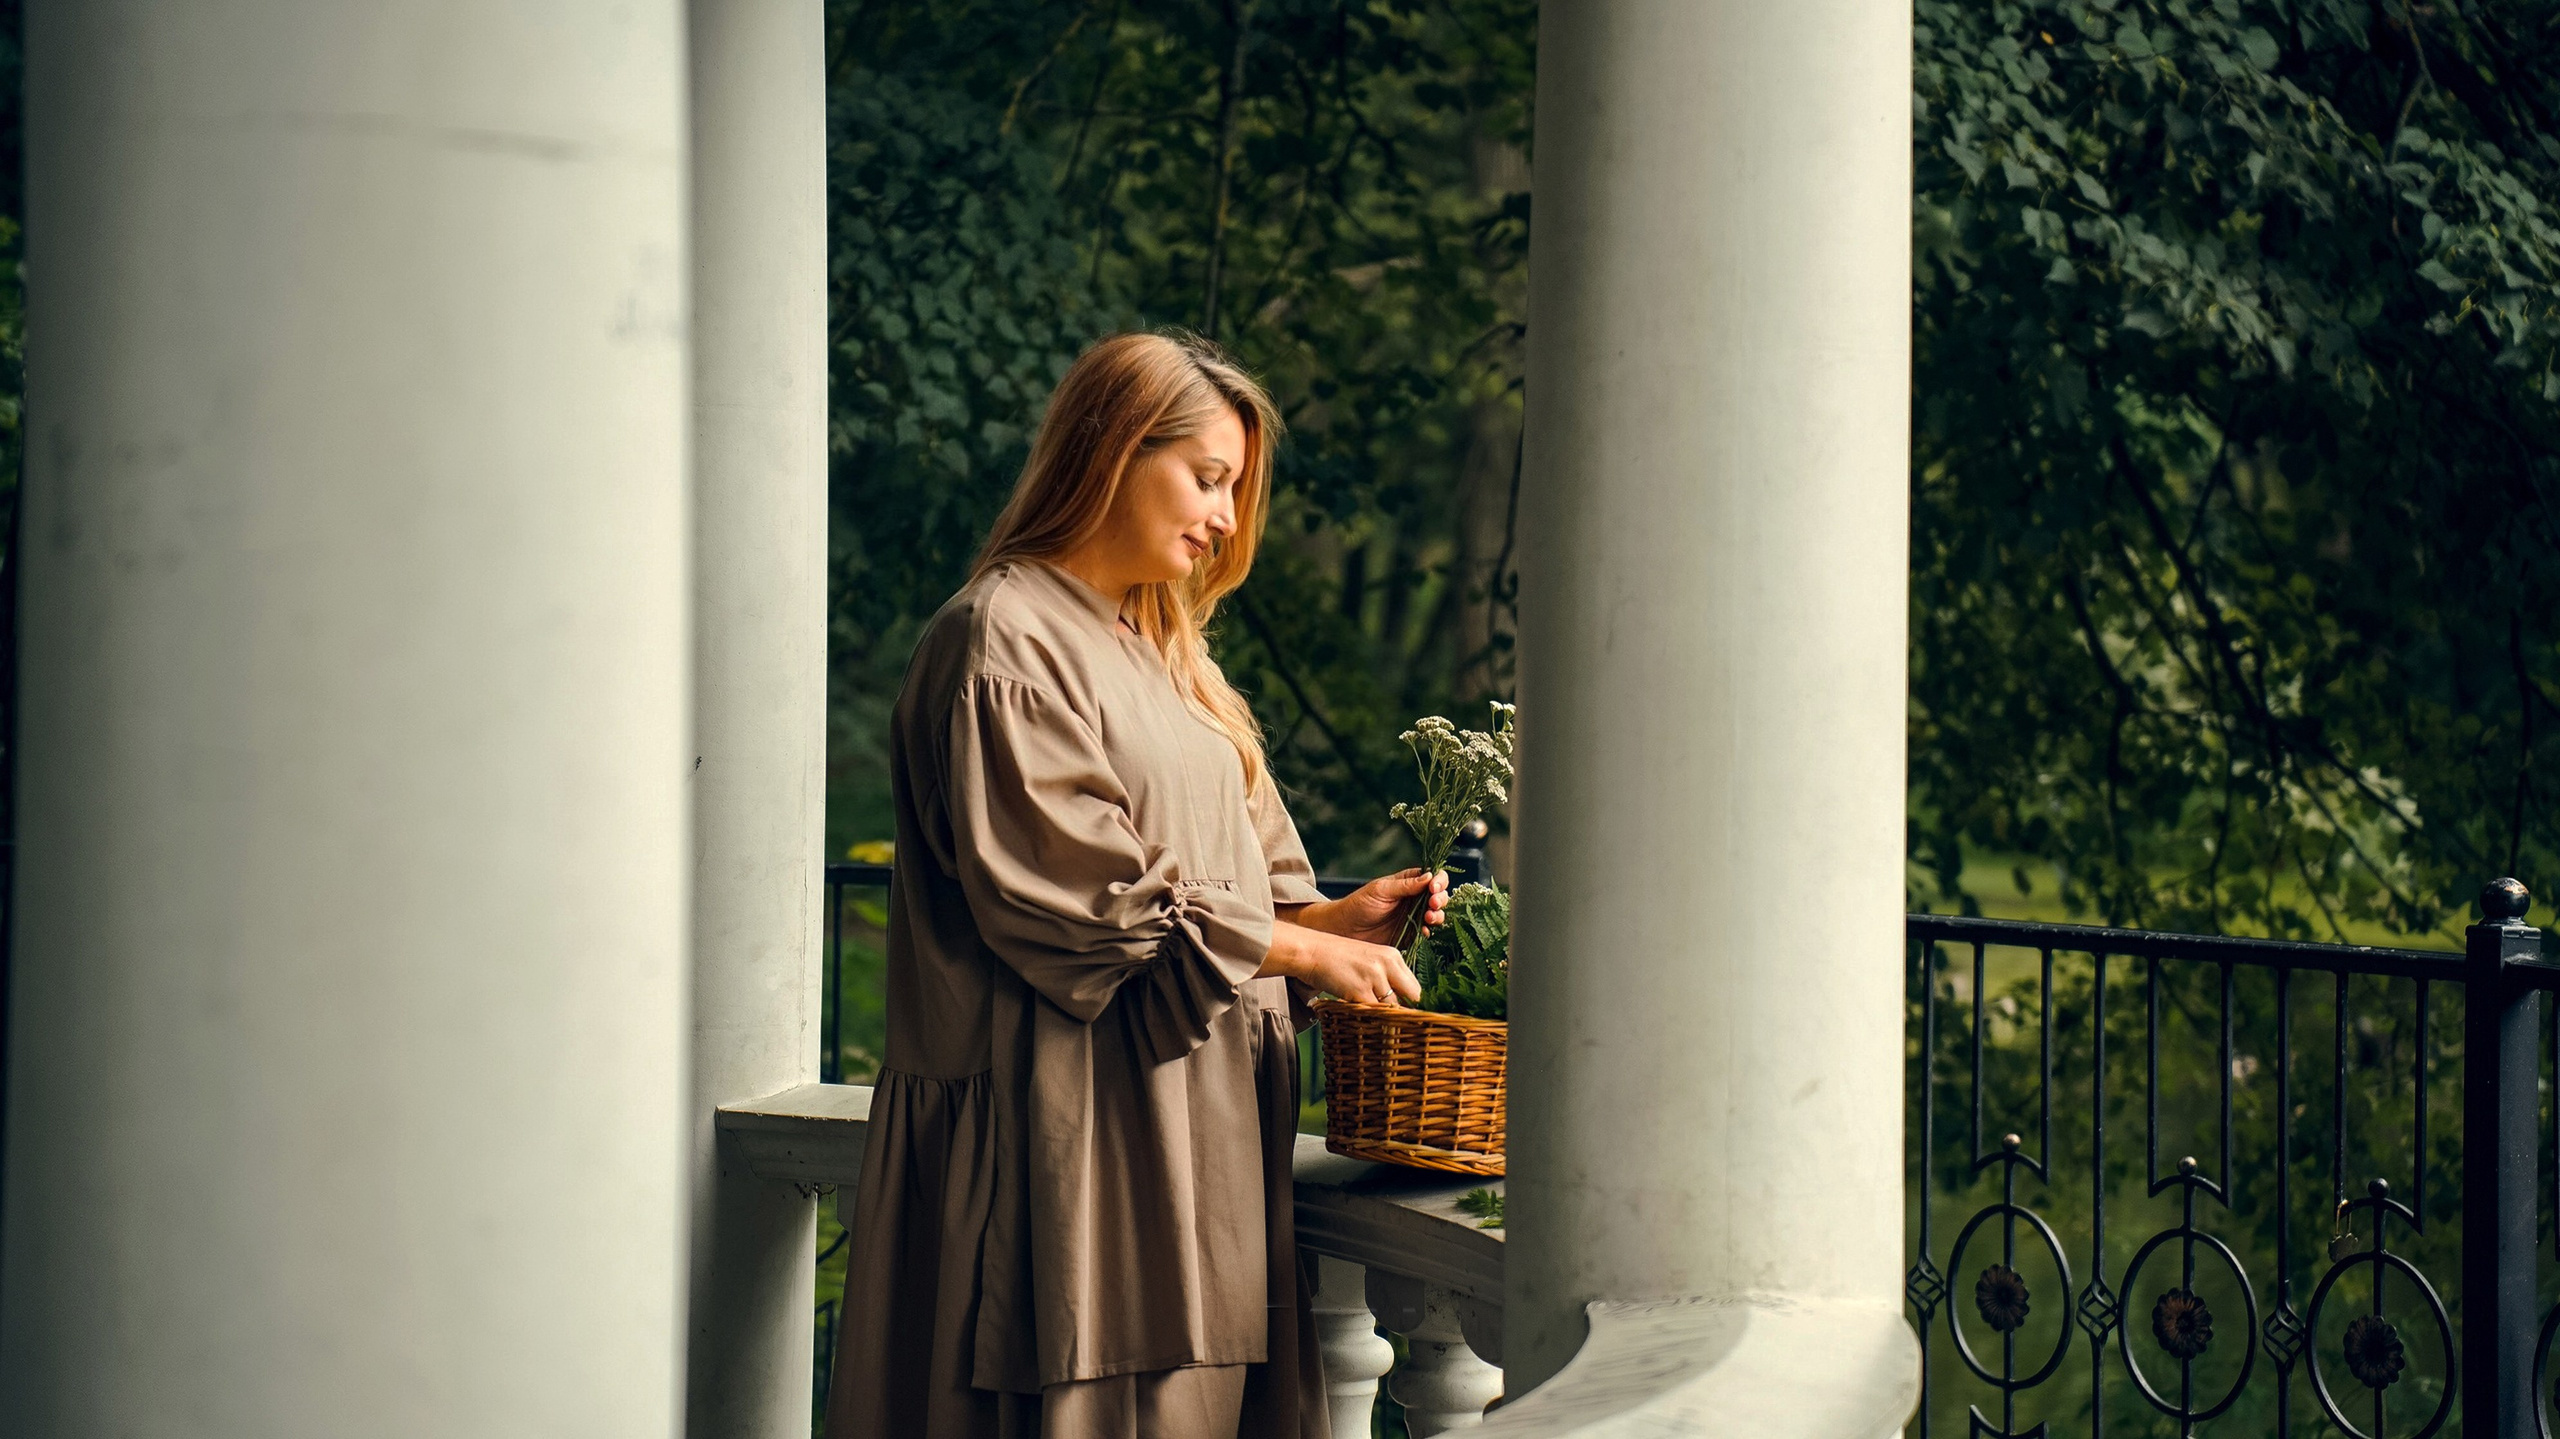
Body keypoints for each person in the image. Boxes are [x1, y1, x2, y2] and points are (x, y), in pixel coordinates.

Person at [825, 331, 1446, 1439]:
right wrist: (1301, 948)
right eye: (1207, 477)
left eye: (1235, 489)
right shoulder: (1001, 641)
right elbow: (1084, 899)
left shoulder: (1172, 662)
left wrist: (1329, 921)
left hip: (1201, 1156)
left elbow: (1239, 898)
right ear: (1113, 447)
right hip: (1078, 1156)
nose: (1222, 518)